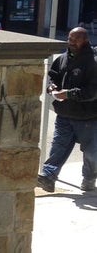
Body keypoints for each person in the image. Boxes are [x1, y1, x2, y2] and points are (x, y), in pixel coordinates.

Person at [37, 27, 97, 193]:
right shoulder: (63, 58)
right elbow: (53, 75)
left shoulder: (92, 62)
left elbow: (92, 91)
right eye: (69, 38)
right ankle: (48, 177)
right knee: (58, 147)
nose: (70, 42)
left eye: (74, 39)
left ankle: (89, 178)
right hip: (64, 114)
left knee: (91, 153)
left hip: (87, 117)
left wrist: (69, 94)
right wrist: (51, 87)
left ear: (84, 40)